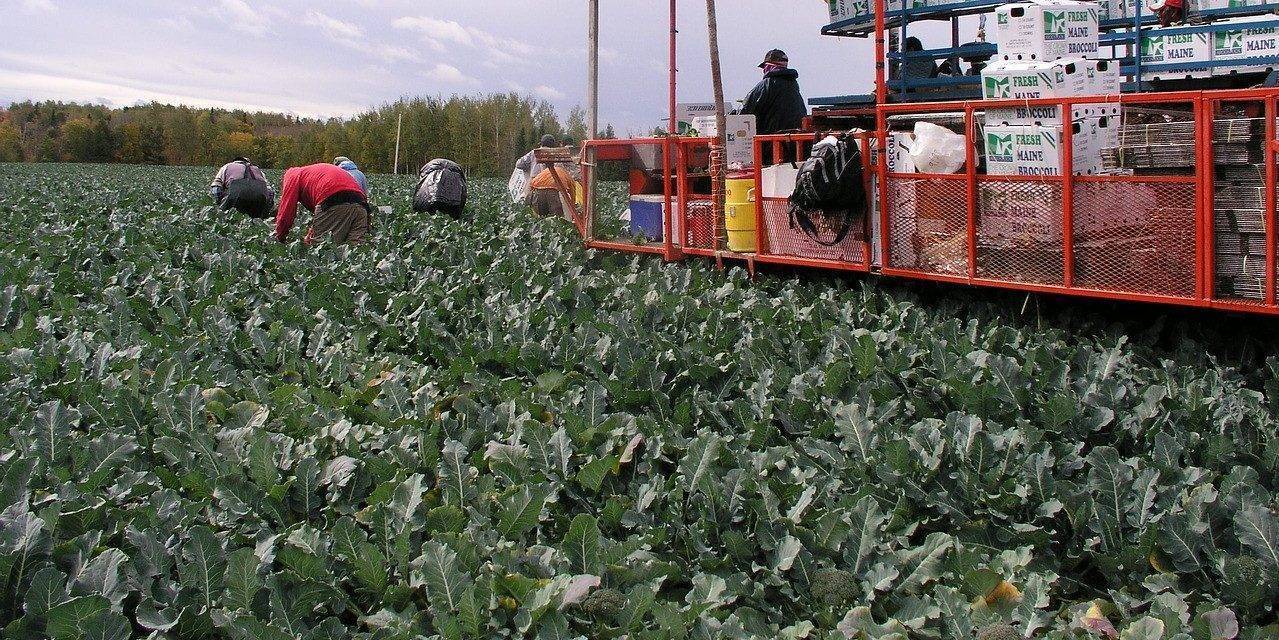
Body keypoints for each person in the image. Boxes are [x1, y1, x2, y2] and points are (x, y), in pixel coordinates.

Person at [274, 163, 370, 245]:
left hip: (335, 200)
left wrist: (280, 238)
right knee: (355, 250)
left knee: (321, 248)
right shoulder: (312, 172)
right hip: (361, 205)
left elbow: (286, 212)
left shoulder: (292, 176)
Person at [738, 49, 807, 136]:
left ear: (768, 66)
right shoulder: (793, 84)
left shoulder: (767, 84)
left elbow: (746, 109)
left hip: (771, 138)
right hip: (795, 138)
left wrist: (733, 115)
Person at [210, 157, 275, 219]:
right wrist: (266, 209)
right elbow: (270, 192)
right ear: (248, 162)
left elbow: (216, 189)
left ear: (235, 161)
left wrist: (219, 204)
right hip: (259, 202)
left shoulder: (227, 166)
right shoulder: (258, 170)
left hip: (235, 201)